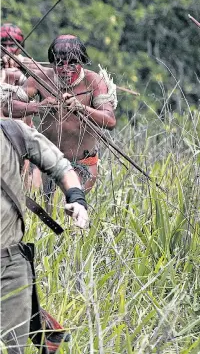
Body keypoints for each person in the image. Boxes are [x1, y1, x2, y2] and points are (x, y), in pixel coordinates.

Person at [1, 116, 89, 353]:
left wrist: (77, 200)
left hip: (10, 267)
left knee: (12, 349)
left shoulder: (13, 133)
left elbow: (60, 166)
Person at [3, 34, 117, 199]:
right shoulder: (41, 78)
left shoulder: (93, 82)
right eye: (60, 64)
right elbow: (8, 107)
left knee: (68, 205)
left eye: (72, 64)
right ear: (53, 63)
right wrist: (38, 107)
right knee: (47, 211)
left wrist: (81, 108)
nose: (65, 69)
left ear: (81, 62)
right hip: (49, 161)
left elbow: (110, 120)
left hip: (82, 163)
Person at [0, 22, 43, 188]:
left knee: (31, 188)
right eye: (4, 45)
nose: (9, 49)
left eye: (13, 45)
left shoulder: (29, 66)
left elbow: (44, 75)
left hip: (25, 134)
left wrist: (22, 66)